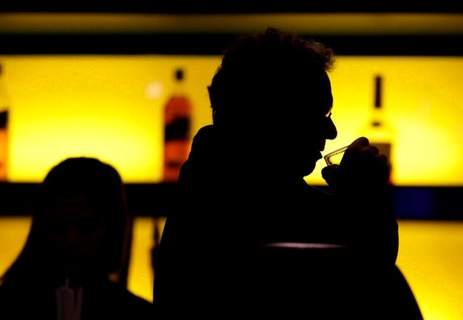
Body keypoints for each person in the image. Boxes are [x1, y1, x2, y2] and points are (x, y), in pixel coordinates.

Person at [153, 27, 423, 319]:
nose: (331, 132)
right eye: (319, 115)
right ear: (275, 117)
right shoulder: (263, 208)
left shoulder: (203, 193)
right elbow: (367, 278)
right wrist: (366, 200)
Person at [0, 157, 155, 320]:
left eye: (86, 227)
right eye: (59, 225)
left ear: (113, 228)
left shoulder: (137, 315)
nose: (71, 239)